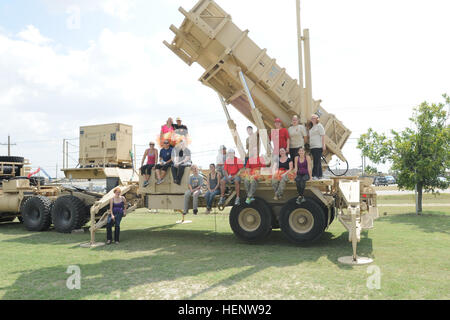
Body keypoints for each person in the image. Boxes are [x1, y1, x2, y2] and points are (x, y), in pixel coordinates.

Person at [309, 114, 326, 180]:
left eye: (314, 118)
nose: (313, 119)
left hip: (318, 146)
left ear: (317, 119)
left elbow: (323, 135)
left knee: (316, 161)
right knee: (318, 161)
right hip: (312, 147)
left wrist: (323, 145)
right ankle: (320, 175)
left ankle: (315, 175)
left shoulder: (319, 126)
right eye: (312, 118)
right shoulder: (312, 127)